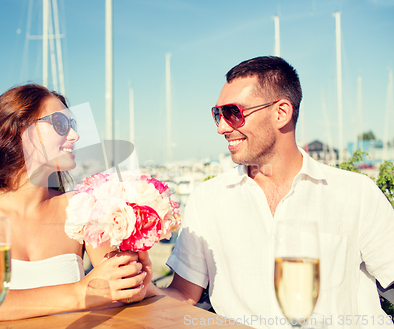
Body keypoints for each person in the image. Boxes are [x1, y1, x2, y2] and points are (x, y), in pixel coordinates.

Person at [148, 56, 394, 328]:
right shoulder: (207, 200)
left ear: (281, 113)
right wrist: (141, 285)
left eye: (232, 112)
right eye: (217, 114)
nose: (221, 127)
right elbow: (184, 294)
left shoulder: (356, 194)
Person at [0, 84, 151, 329]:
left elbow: (120, 290)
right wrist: (78, 293)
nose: (75, 136)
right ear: (19, 131)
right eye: (60, 124)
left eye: (73, 125)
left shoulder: (80, 207)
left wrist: (136, 272)